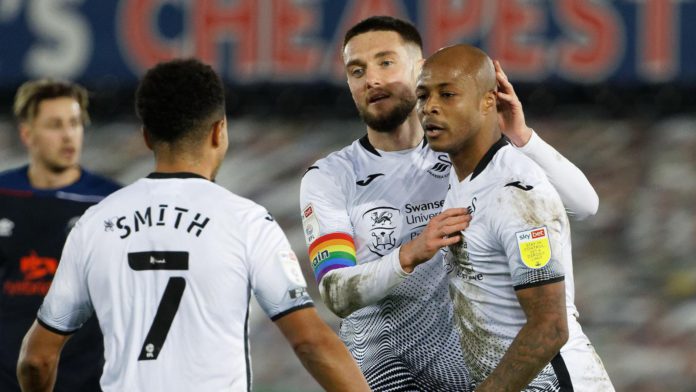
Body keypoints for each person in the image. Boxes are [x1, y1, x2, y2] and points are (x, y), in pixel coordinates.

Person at [16, 59, 370, 392]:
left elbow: (36, 358)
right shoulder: (246, 221)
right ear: (219, 132)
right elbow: (310, 342)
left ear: (147, 138)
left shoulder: (95, 223)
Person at [299, 16, 600, 391]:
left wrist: (522, 136)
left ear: (419, 68)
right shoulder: (330, 177)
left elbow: (583, 206)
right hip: (387, 377)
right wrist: (408, 254)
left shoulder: (464, 156)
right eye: (356, 70)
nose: (371, 79)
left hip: (474, 376)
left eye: (385, 62)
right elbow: (335, 292)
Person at [416, 44, 614, 391]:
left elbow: (550, 326)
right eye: (423, 95)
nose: (430, 106)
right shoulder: (461, 175)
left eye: (447, 94)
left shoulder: (515, 192)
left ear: (488, 100)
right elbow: (586, 204)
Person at [0, 79, 120, 391]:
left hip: (85, 381)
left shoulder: (111, 204)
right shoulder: (3, 194)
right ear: (27, 134)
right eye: (55, 125)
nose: (68, 135)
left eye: (75, 123)